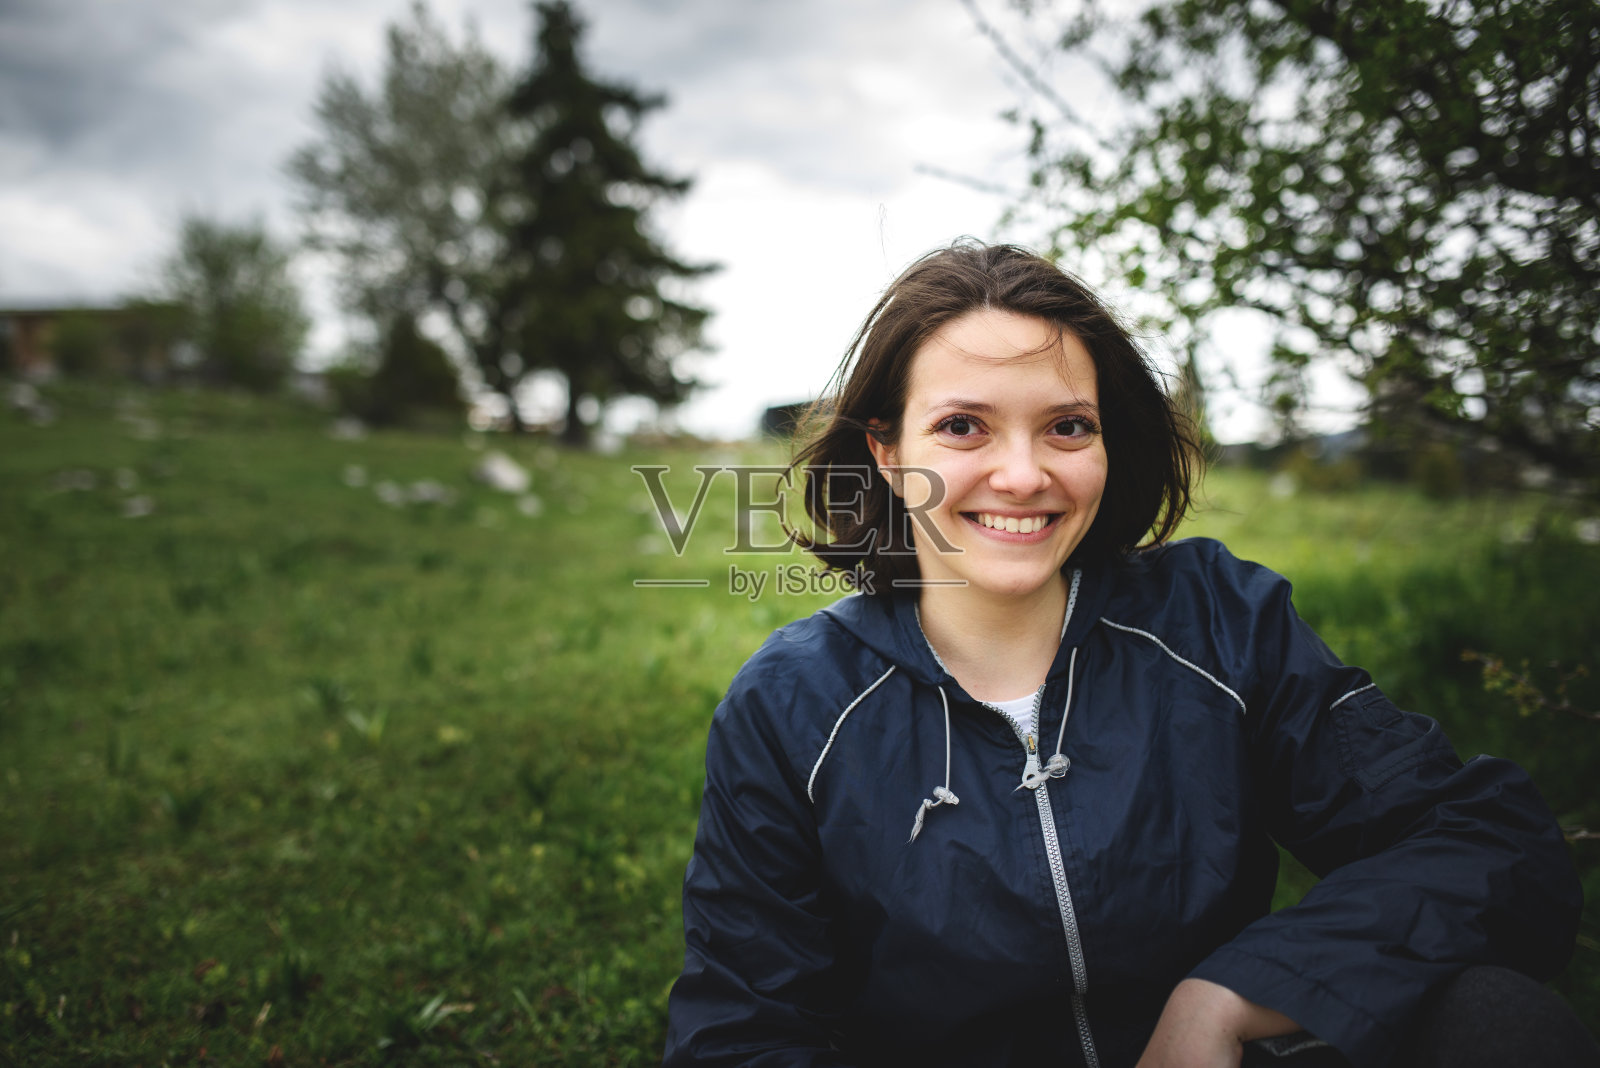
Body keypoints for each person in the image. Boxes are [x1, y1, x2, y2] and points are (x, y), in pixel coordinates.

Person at [662, 243, 1590, 1067]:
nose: (1023, 475)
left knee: (1497, 1021)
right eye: (963, 426)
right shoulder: (791, 705)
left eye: (1068, 426)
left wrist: (1224, 998)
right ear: (888, 452)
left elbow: (1484, 843)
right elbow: (740, 1032)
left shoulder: (1220, 622)